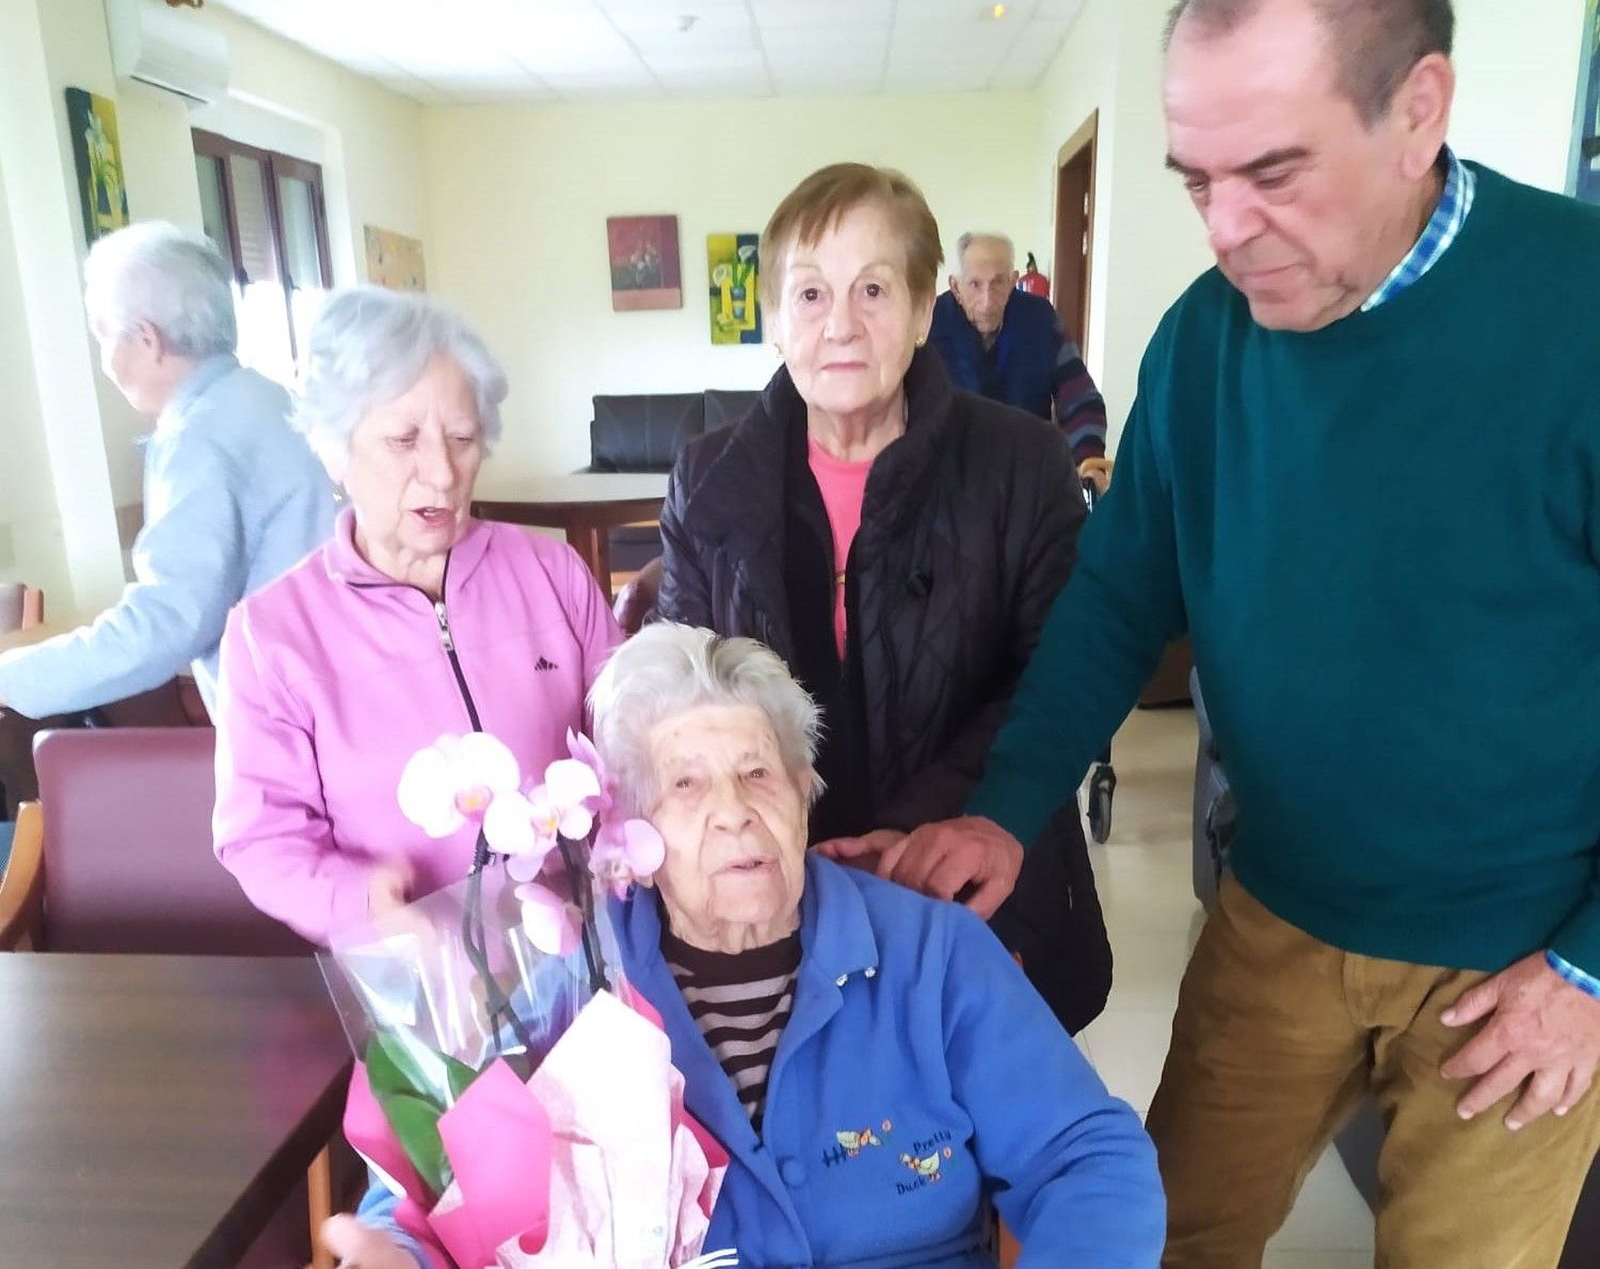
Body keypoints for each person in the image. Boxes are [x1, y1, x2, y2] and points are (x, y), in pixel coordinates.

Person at [962, 0, 1600, 1265]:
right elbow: (1119, 595)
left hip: (1526, 954)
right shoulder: (1204, 345)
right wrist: (1007, 811)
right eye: (1197, 179)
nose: (1226, 228)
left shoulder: (1577, 312)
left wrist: (1593, 964)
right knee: (1160, 1232)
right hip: (1277, 915)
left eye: (1272, 171)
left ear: (1419, 108)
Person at [328, 622, 1165, 1269]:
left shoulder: (932, 955)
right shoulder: (567, 979)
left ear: (805, 796)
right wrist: (399, 1255)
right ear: (631, 822)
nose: (733, 810)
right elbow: (422, 1190)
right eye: (685, 784)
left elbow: (1086, 1154)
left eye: (760, 773)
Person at [654, 162, 1111, 1033]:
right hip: (775, 894)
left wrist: (910, 834)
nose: (842, 327)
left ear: (923, 304)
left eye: (872, 289)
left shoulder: (1022, 463)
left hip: (966, 878)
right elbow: (684, 698)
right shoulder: (708, 477)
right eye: (812, 293)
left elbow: (1054, 680)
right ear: (776, 314)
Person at [212, 286, 619, 946]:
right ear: (333, 449)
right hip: (414, 976)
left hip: (585, 947)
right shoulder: (274, 633)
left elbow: (629, 747)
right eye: (403, 439)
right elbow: (262, 837)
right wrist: (357, 904)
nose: (442, 471)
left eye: (462, 438)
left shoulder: (553, 574)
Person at [0, 221, 334, 719]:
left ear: (146, 339)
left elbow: (169, 622)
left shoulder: (198, 436)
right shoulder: (269, 397)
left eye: (103, 336)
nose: (106, 359)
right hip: (332, 691)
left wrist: (11, 679)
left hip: (291, 721)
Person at [928, 230, 1109, 479]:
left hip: (1029, 476)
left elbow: (1080, 399)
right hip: (948, 479)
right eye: (975, 284)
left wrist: (1088, 461)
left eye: (999, 283)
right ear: (955, 286)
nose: (987, 301)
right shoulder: (929, 324)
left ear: (1014, 281)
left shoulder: (1040, 319)